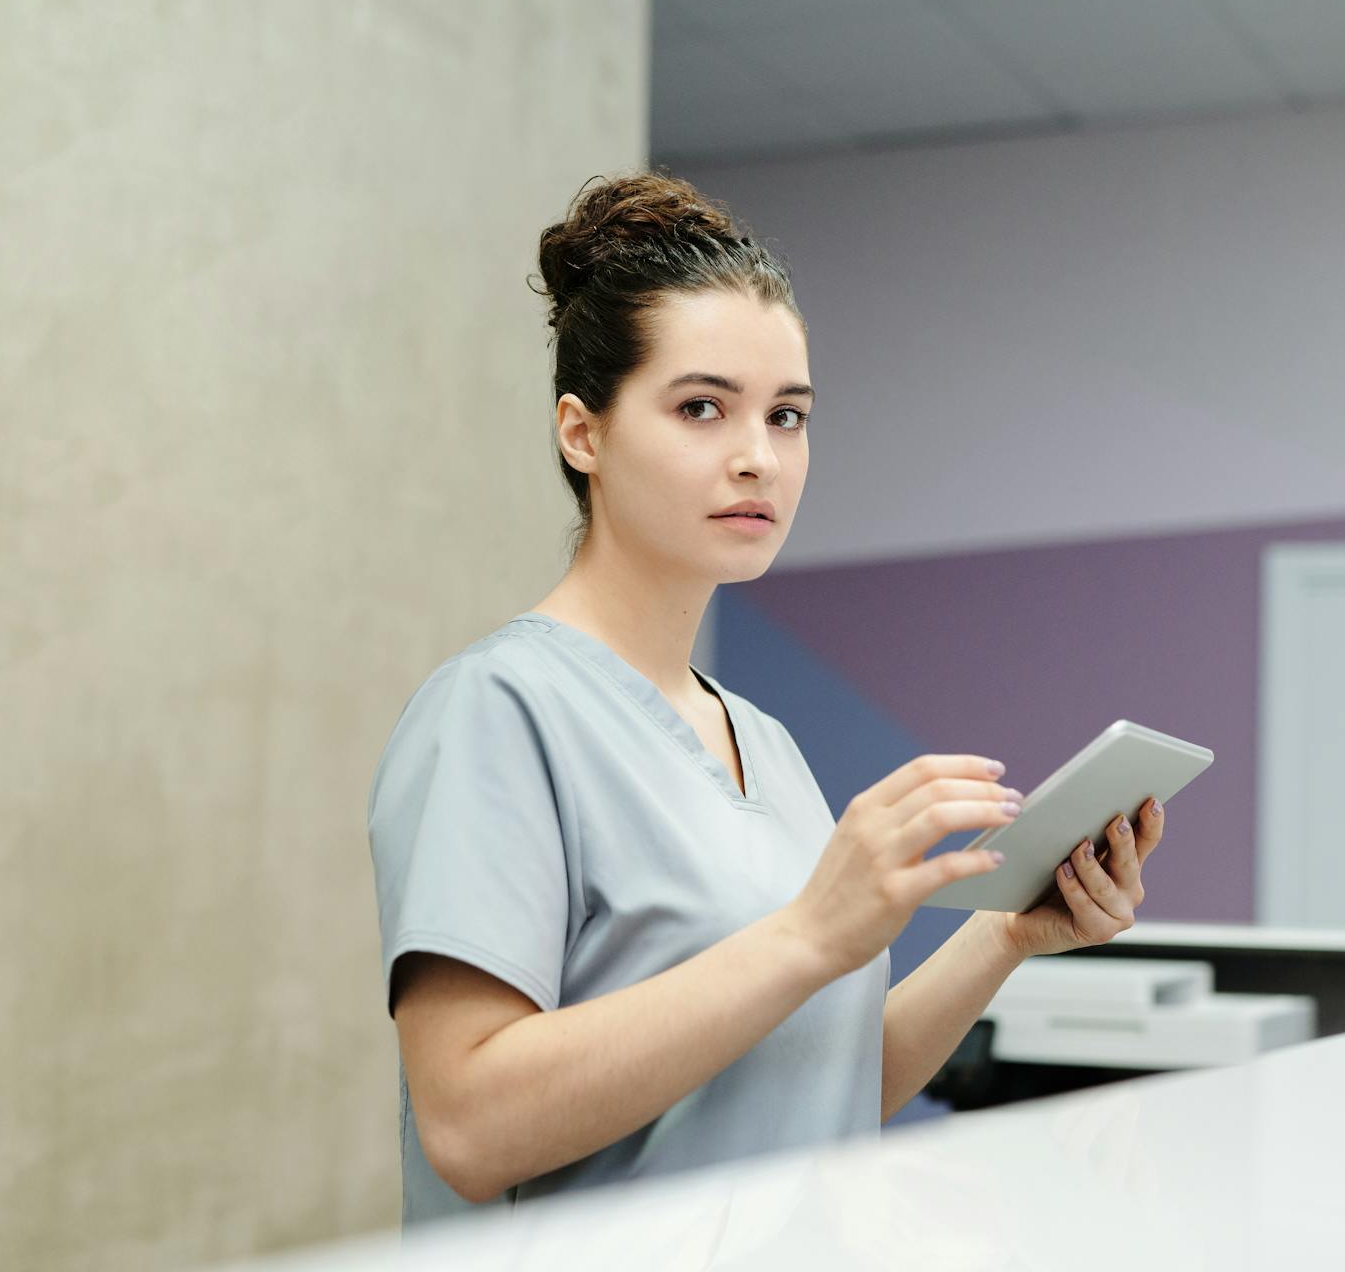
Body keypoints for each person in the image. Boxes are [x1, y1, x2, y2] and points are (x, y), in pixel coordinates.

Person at [365, 170, 1166, 1229]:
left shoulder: (766, 745)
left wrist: (1007, 935)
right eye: (702, 407)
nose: (759, 457)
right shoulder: (498, 711)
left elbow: (808, 1091)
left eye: (787, 416)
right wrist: (807, 934)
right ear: (582, 433)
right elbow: (469, 1125)